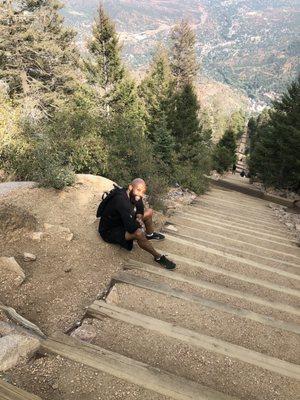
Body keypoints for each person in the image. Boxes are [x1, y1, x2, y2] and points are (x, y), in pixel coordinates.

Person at [98, 178, 176, 270]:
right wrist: (141, 226)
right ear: (130, 187)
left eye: (143, 192)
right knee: (138, 233)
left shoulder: (132, 194)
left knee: (149, 212)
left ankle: (150, 234)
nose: (140, 194)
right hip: (110, 231)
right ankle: (158, 257)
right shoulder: (121, 201)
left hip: (122, 221)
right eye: (138, 190)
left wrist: (139, 217)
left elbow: (139, 206)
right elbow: (131, 228)